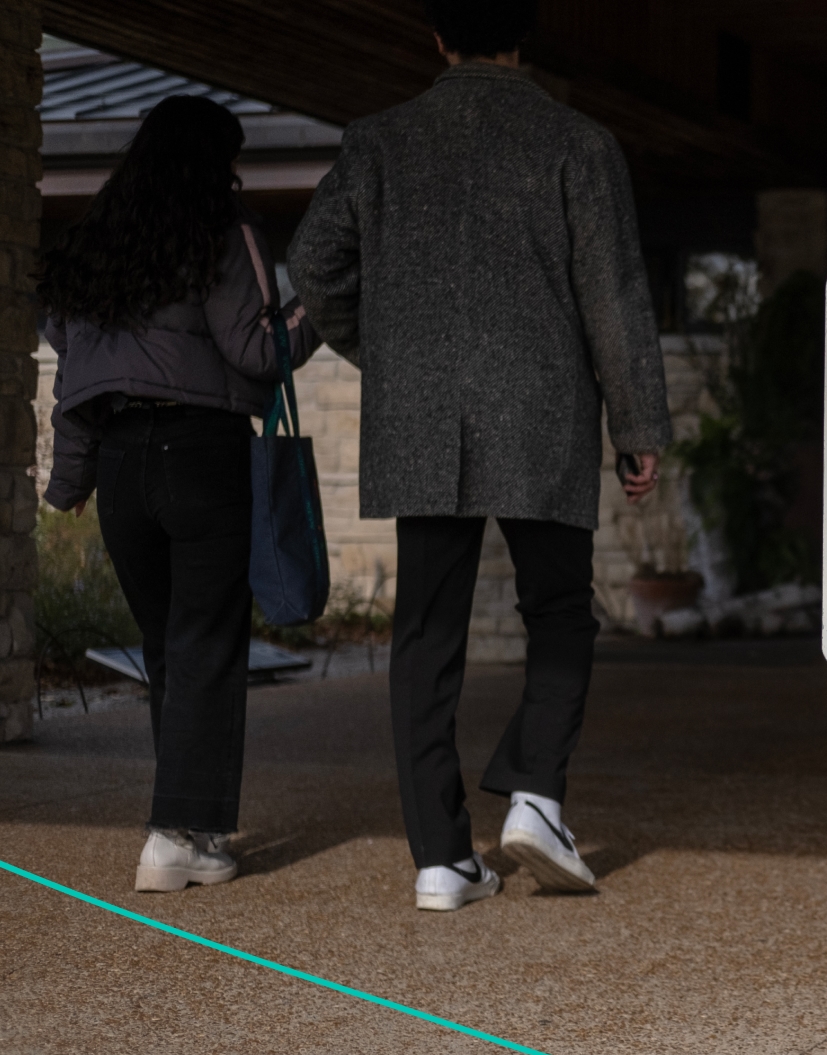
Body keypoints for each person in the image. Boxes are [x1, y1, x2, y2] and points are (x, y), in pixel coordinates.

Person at [290, 0, 671, 912]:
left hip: (423, 414)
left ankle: (440, 859)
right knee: (560, 613)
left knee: (425, 632)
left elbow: (313, 266)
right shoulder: (578, 142)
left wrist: (391, 356)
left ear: (437, 38)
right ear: (523, 37)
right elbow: (614, 294)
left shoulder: (377, 140)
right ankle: (537, 793)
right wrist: (639, 426)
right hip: (542, 406)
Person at [38, 96, 320, 890]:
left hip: (124, 469)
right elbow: (257, 350)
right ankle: (176, 834)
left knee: (169, 649)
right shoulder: (222, 230)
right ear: (214, 161)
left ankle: (184, 829)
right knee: (207, 647)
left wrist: (68, 485)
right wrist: (318, 309)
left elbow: (74, 382)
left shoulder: (98, 242)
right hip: (202, 456)